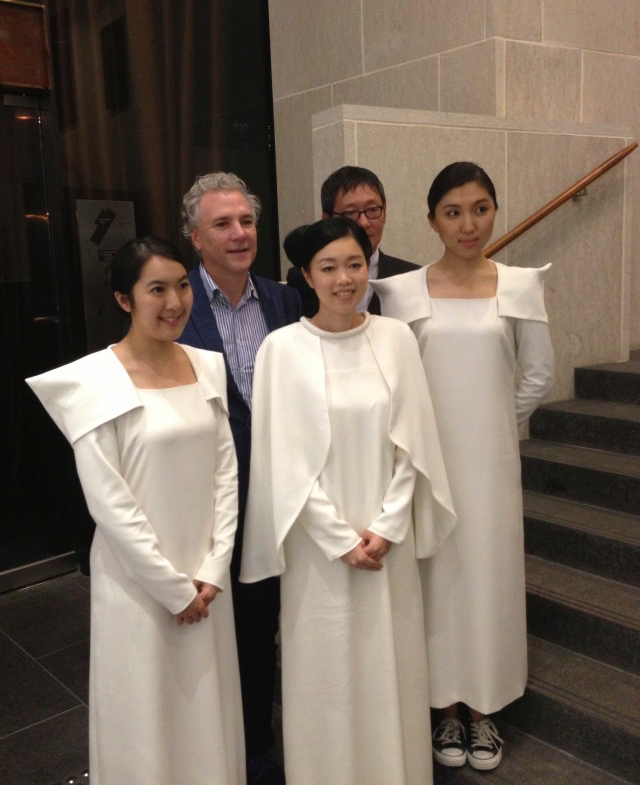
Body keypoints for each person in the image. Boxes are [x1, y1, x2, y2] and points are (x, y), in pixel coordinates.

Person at [241, 217, 456, 785]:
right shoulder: (280, 349)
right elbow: (280, 461)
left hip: (390, 545)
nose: (344, 279)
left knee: (392, 668)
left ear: (369, 266)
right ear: (306, 277)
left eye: (354, 264)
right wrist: (340, 539)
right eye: (329, 268)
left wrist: (385, 528)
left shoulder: (396, 338)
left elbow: (415, 445)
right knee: (328, 674)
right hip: (319, 552)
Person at [26, 237, 244, 784]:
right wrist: (172, 588)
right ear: (125, 300)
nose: (174, 302)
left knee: (207, 704)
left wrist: (214, 569)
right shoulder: (95, 380)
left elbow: (226, 472)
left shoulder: (206, 366)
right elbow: (109, 501)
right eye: (156, 290)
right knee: (146, 707)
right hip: (139, 582)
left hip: (206, 576)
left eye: (181, 285)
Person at [372, 162, 555, 771]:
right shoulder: (401, 292)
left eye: (480, 208)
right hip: (423, 462)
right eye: (453, 212)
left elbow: (536, 374)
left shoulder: (520, 284)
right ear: (431, 221)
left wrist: (495, 424)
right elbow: (390, 379)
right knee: (436, 583)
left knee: (488, 578)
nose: (468, 223)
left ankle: (484, 712)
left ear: (494, 211)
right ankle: (443, 711)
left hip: (492, 463)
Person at [178, 172, 302, 785]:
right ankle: (204, 755)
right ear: (195, 237)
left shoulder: (285, 301)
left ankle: (256, 754)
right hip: (205, 499)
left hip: (279, 496)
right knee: (206, 634)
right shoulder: (176, 308)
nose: (238, 234)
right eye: (222, 224)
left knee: (260, 631)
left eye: (247, 221)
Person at [286, 165, 419, 315]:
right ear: (327, 218)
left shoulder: (412, 277)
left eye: (372, 210)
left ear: (385, 212)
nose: (364, 223)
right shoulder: (302, 279)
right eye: (351, 213)